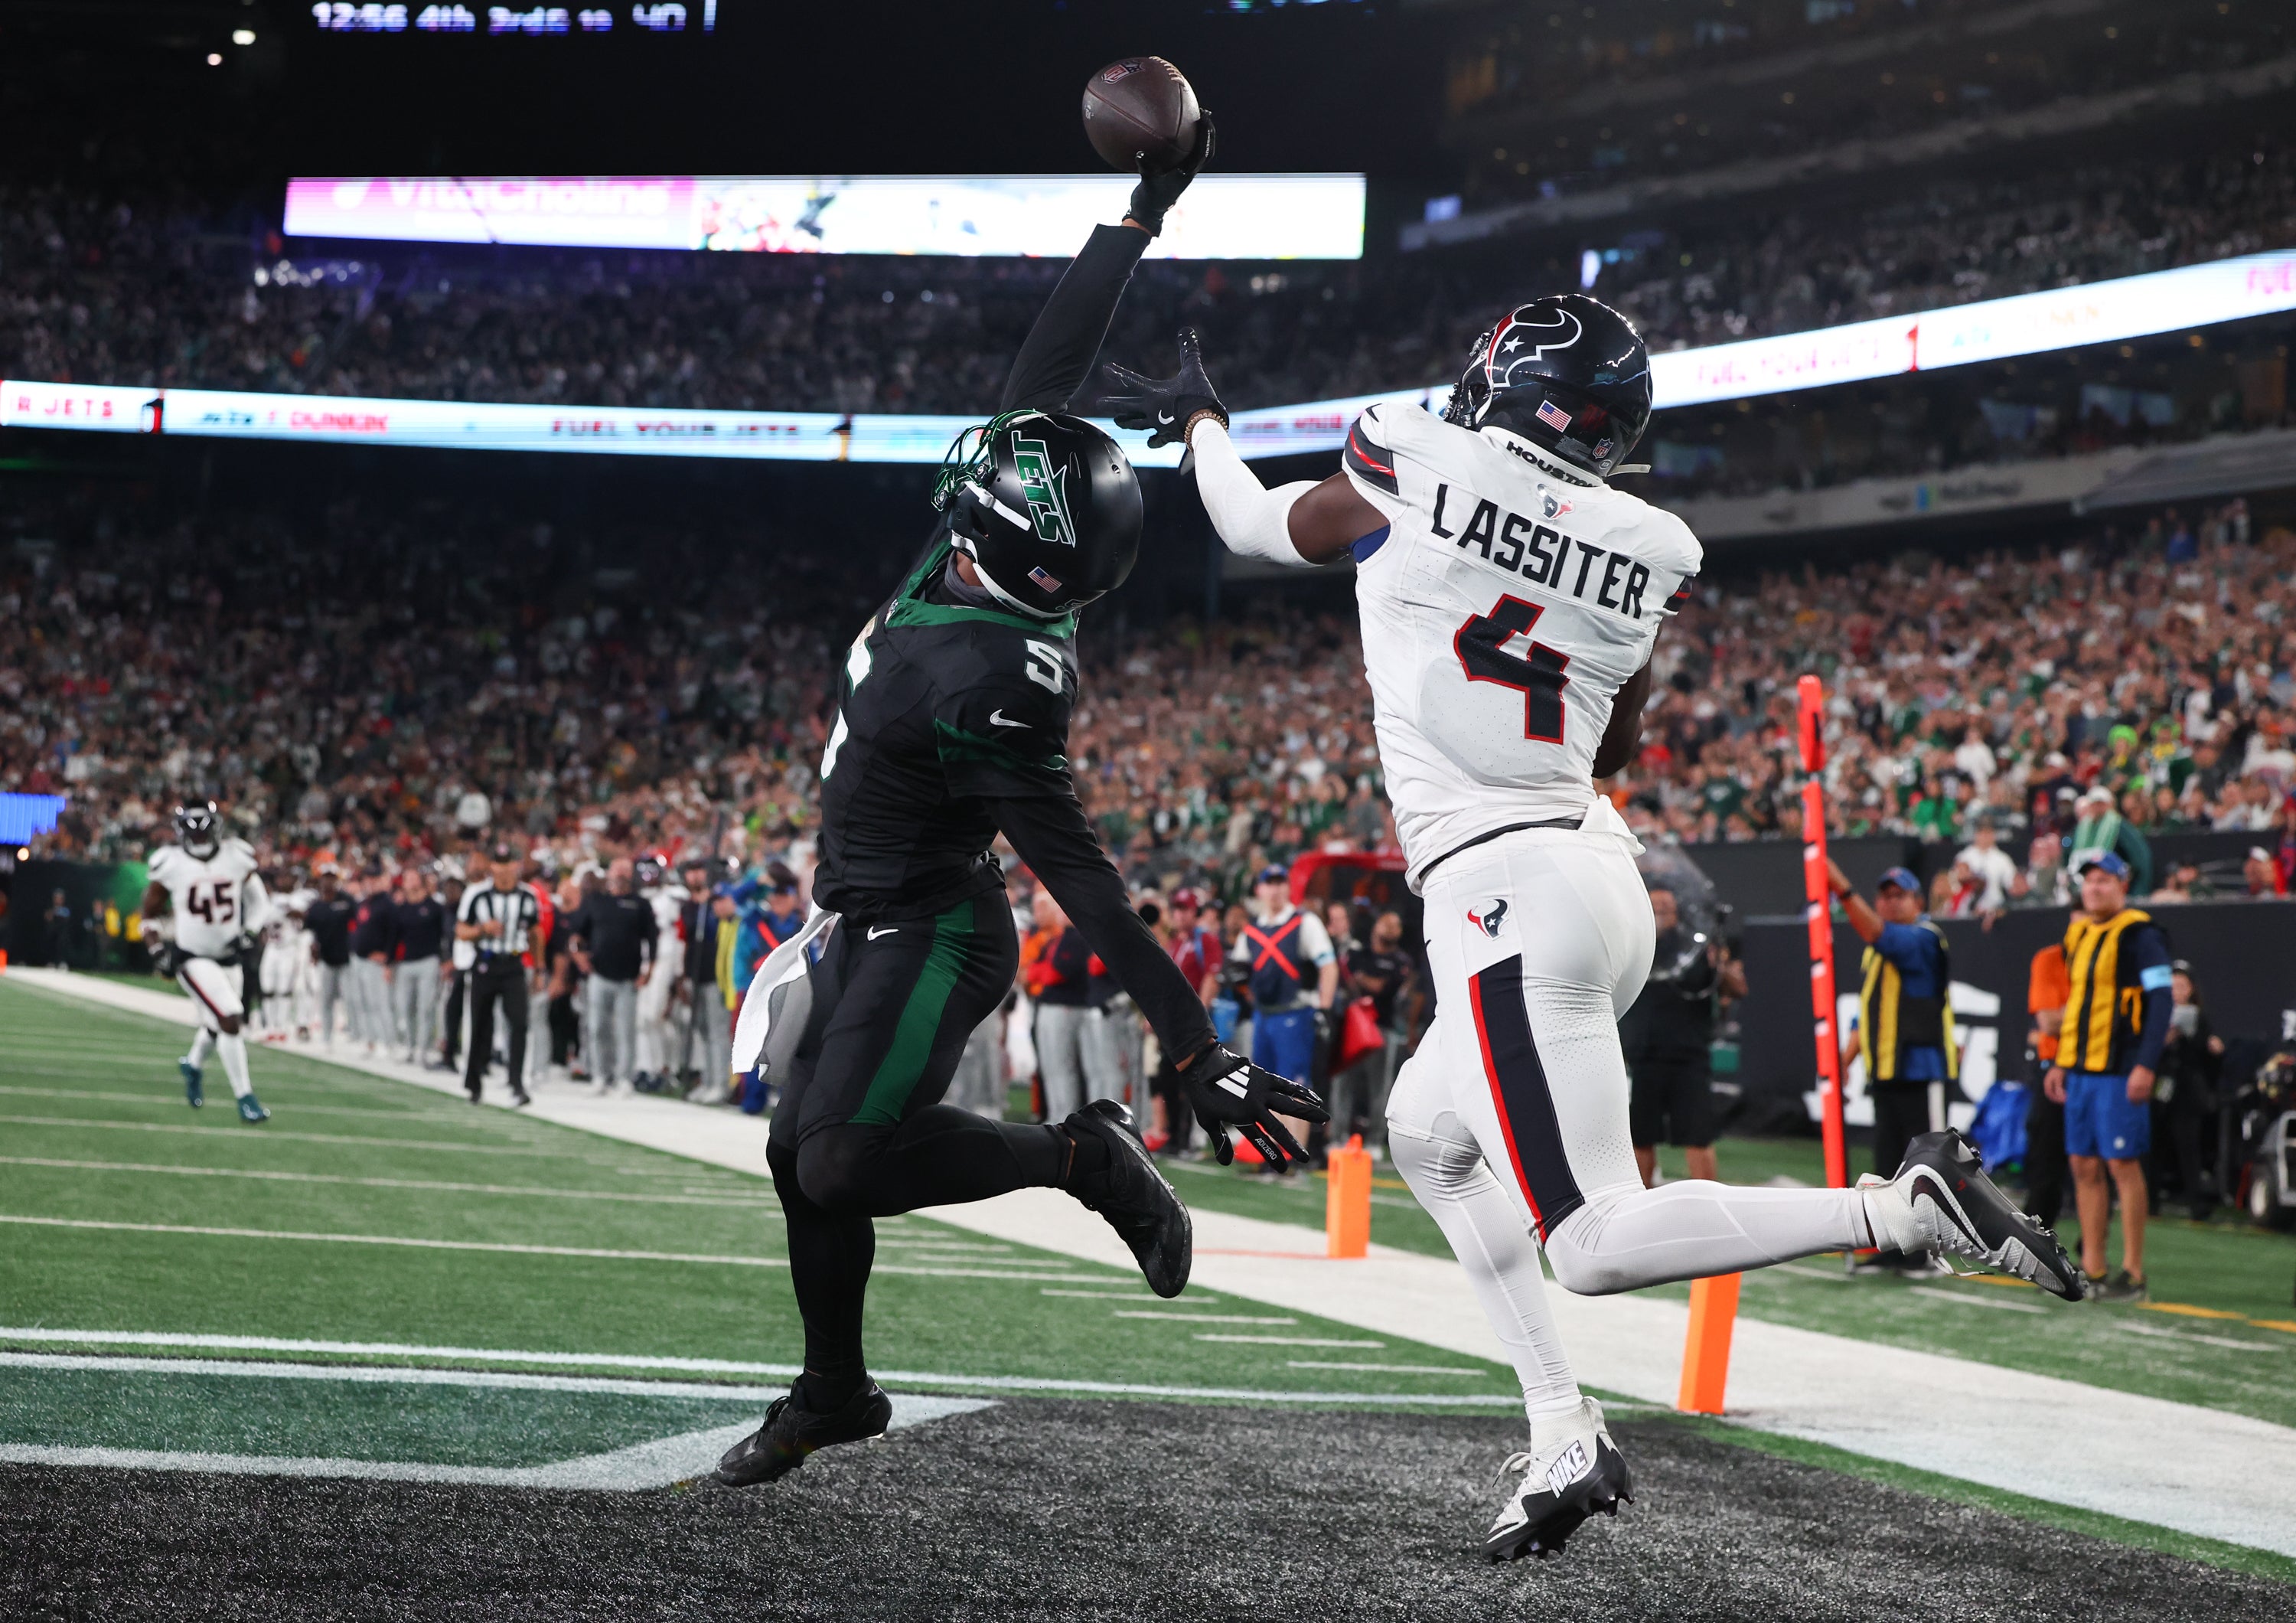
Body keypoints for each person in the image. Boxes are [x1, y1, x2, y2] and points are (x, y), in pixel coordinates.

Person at [1111, 291, 2080, 1561]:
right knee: (1427, 1134)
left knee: (1590, 1242)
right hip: (1599, 880)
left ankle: (1899, 1207)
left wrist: (1197, 418)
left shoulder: (1409, 451)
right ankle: (1564, 1430)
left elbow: (1247, 523)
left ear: (1500, 379)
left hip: (1502, 895)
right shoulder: (1650, 542)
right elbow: (1611, 733)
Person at [711, 143, 1325, 1493]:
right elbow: (1046, 370)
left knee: (843, 1158)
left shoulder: (991, 673)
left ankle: (1080, 1158)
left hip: (932, 925)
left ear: (999, 538)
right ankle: (831, 1389)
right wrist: (1141, 211)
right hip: (861, 913)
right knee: (794, 1153)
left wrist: (1186, 1044)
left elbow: (1086, 886)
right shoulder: (994, 564)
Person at [2043, 851, 2175, 1301]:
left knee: (2122, 1164)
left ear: (2123, 885)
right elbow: (2078, 1003)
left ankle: (2133, 1272)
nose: (2095, 888)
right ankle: (2092, 1267)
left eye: (2104, 880)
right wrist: (2063, 1058)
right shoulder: (2079, 933)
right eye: (2089, 881)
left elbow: (2162, 1002)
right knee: (2082, 1165)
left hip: (2121, 1069)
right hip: (2081, 1068)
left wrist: (2146, 1063)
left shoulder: (2141, 935)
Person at [1831, 862, 1958, 1273]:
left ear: (1918, 902)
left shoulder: (1923, 938)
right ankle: (1892, 1249)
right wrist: (1847, 1059)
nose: (1889, 902)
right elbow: (1865, 1012)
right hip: (1885, 1070)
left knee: (1922, 1167)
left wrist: (1842, 889)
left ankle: (1925, 1252)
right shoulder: (1879, 948)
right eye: (1883, 895)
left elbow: (1873, 931)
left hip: (1920, 1070)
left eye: (1898, 895)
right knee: (1886, 1166)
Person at [140, 802, 272, 1122]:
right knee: (230, 1018)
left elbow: (259, 903)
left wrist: (250, 933)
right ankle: (246, 1098)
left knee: (215, 1026)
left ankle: (193, 1064)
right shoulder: (170, 863)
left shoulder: (236, 856)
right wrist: (157, 950)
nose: (199, 841)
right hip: (192, 958)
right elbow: (149, 914)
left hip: (229, 956)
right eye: (193, 834)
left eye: (204, 833)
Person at [1622, 885, 1737, 1188]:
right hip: (1644, 1056)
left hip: (1689, 1057)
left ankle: (1712, 1209)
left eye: (1666, 908)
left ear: (1677, 913)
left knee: (1697, 1136)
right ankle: (1641, 1205)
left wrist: (1719, 966)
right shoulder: (1633, 947)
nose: (1660, 912)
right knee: (1641, 1137)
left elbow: (1738, 989)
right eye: (1654, 907)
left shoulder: (1698, 947)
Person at [1231, 864, 1339, 1167]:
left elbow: (1328, 965)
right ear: (1260, 890)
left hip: (1295, 1013)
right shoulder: (1252, 930)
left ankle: (1296, 1154)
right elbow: (1238, 970)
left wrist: (1324, 1009)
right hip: (1264, 1016)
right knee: (1266, 1088)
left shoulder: (1304, 922)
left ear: (1287, 888)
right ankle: (1276, 1155)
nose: (1275, 890)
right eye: (1270, 884)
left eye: (1281, 883)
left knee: (1294, 1086)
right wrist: (1241, 986)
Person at [455, 841, 541, 1107]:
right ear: (491, 866)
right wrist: (482, 930)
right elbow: (461, 931)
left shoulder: (528, 896)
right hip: (486, 964)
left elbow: (536, 933)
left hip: (514, 964)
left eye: (509, 863)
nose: (504, 869)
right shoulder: (477, 895)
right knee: (480, 1024)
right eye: (499, 863)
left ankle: (517, 1083)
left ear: (517, 865)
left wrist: (539, 969)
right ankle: (474, 1083)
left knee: (520, 1023)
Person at [1328, 907, 1417, 1155]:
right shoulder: (1359, 953)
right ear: (1376, 927)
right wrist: (1362, 979)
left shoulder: (1401, 961)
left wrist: (1361, 978)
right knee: (1342, 1083)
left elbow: (1380, 988)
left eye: (1394, 926)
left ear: (1399, 932)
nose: (1389, 929)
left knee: (1380, 1087)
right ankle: (1338, 1137)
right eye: (1385, 924)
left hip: (1381, 1028)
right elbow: (1347, 977)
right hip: (1353, 1026)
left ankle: (1375, 1142)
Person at [568, 855, 658, 1096]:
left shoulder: (640, 904)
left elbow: (652, 939)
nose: (620, 873)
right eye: (617, 868)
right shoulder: (596, 901)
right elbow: (576, 934)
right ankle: (600, 1075)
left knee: (626, 1030)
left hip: (628, 976)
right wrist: (579, 958)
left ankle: (624, 1078)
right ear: (609, 872)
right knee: (597, 1028)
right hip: (599, 974)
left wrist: (648, 971)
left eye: (625, 869)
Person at [2153, 959, 2224, 1221]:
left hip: (2187, 1092)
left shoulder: (2199, 1017)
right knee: (2154, 1146)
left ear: (2191, 988)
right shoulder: (2156, 1015)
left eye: (2182, 985)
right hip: (2159, 1089)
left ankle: (2196, 1203)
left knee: (2189, 1146)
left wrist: (2207, 1044)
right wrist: (2165, 1039)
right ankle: (2151, 1202)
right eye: (2172, 986)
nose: (2177, 991)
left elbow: (2205, 1059)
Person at [2023, 929, 2073, 1228]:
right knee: (2045, 1152)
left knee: (2096, 1162)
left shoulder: (2115, 956)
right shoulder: (2050, 958)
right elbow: (2048, 1022)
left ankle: (2094, 1254)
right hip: (2055, 1064)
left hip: (2101, 1070)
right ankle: (2035, 1231)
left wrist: (2066, 1012)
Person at [675, 857, 736, 1101]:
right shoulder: (689, 906)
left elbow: (715, 929)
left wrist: (709, 905)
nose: (696, 877)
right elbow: (687, 936)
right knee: (701, 1029)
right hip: (695, 974)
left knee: (716, 1032)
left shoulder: (719, 902)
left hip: (715, 976)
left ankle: (720, 1084)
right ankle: (709, 1079)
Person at [631, 852, 685, 1093]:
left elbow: (677, 937)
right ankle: (646, 1066)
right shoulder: (634, 899)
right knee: (641, 1020)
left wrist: (677, 971)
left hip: (662, 960)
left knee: (655, 1016)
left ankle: (666, 1067)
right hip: (639, 961)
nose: (648, 878)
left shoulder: (672, 898)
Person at [392, 867, 448, 1066]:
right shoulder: (402, 909)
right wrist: (390, 964)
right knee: (406, 1007)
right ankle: (410, 1046)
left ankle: (423, 1049)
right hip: (406, 962)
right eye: (407, 878)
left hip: (428, 961)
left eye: (412, 877)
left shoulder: (434, 907)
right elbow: (394, 938)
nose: (409, 881)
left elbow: (445, 935)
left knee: (426, 1007)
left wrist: (445, 960)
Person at [346, 874, 400, 1056]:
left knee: (379, 1003)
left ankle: (388, 1043)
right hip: (359, 959)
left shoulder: (388, 904)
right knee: (363, 1003)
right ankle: (370, 1041)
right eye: (368, 880)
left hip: (375, 961)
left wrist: (388, 957)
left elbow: (394, 932)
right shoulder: (365, 903)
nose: (370, 883)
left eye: (374, 879)